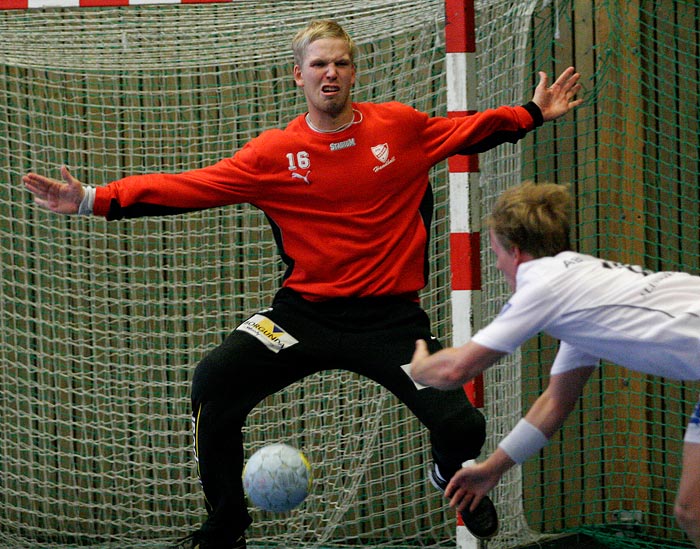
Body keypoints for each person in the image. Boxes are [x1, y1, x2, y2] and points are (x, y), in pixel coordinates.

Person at [23, 20, 582, 549]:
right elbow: (192, 186)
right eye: (318, 64)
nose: (330, 73)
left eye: (340, 62)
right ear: (299, 75)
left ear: (354, 72)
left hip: (391, 325)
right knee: (213, 382)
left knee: (464, 424)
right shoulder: (272, 155)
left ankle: (449, 476)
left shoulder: (399, 129)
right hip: (300, 319)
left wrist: (532, 112)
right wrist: (94, 199)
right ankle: (227, 523)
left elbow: (468, 131)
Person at [409, 181, 700, 548]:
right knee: (692, 510)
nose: (497, 264)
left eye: (496, 252)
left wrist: (417, 365)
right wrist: (492, 468)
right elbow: (555, 402)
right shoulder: (580, 294)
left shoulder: (544, 286)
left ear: (514, 252)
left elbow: (454, 371)